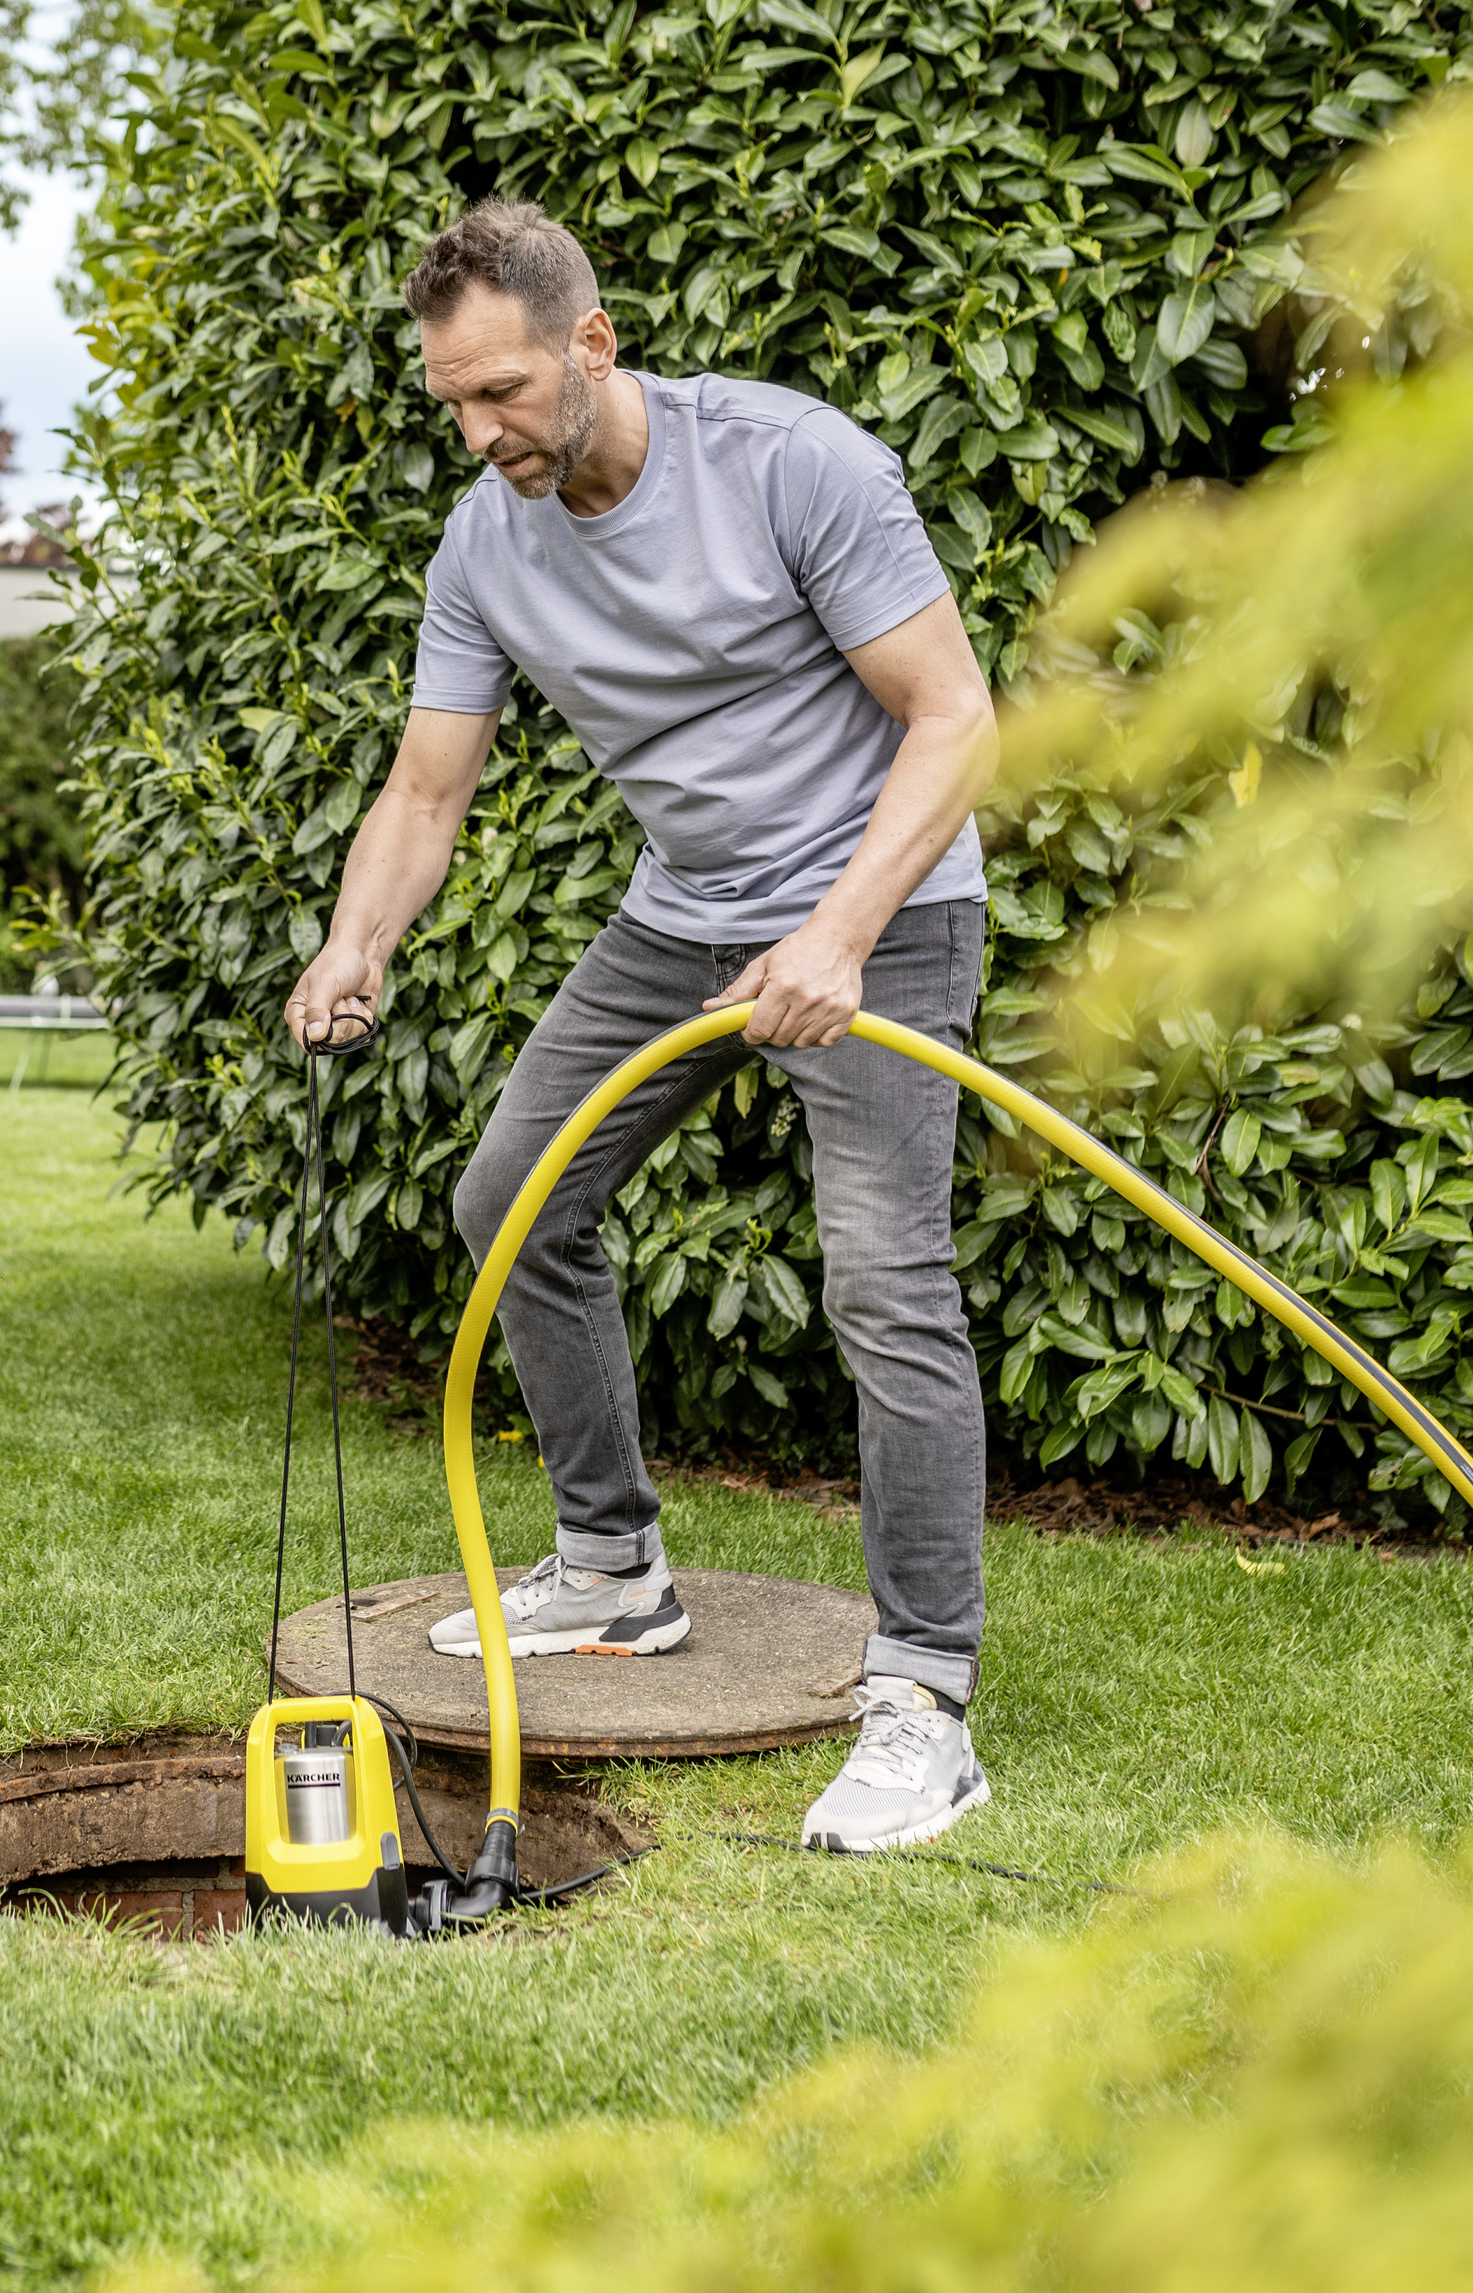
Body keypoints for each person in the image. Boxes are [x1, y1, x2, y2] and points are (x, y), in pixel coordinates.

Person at [280, 200, 1002, 1854]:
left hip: (882, 902)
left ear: (595, 345)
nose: (481, 434)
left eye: (508, 392)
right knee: (510, 1200)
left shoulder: (790, 465)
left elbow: (956, 719)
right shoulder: (487, 539)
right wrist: (356, 942)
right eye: (454, 403)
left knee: (885, 1276)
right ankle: (611, 1567)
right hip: (686, 911)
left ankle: (923, 1701)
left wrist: (838, 928)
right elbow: (426, 783)